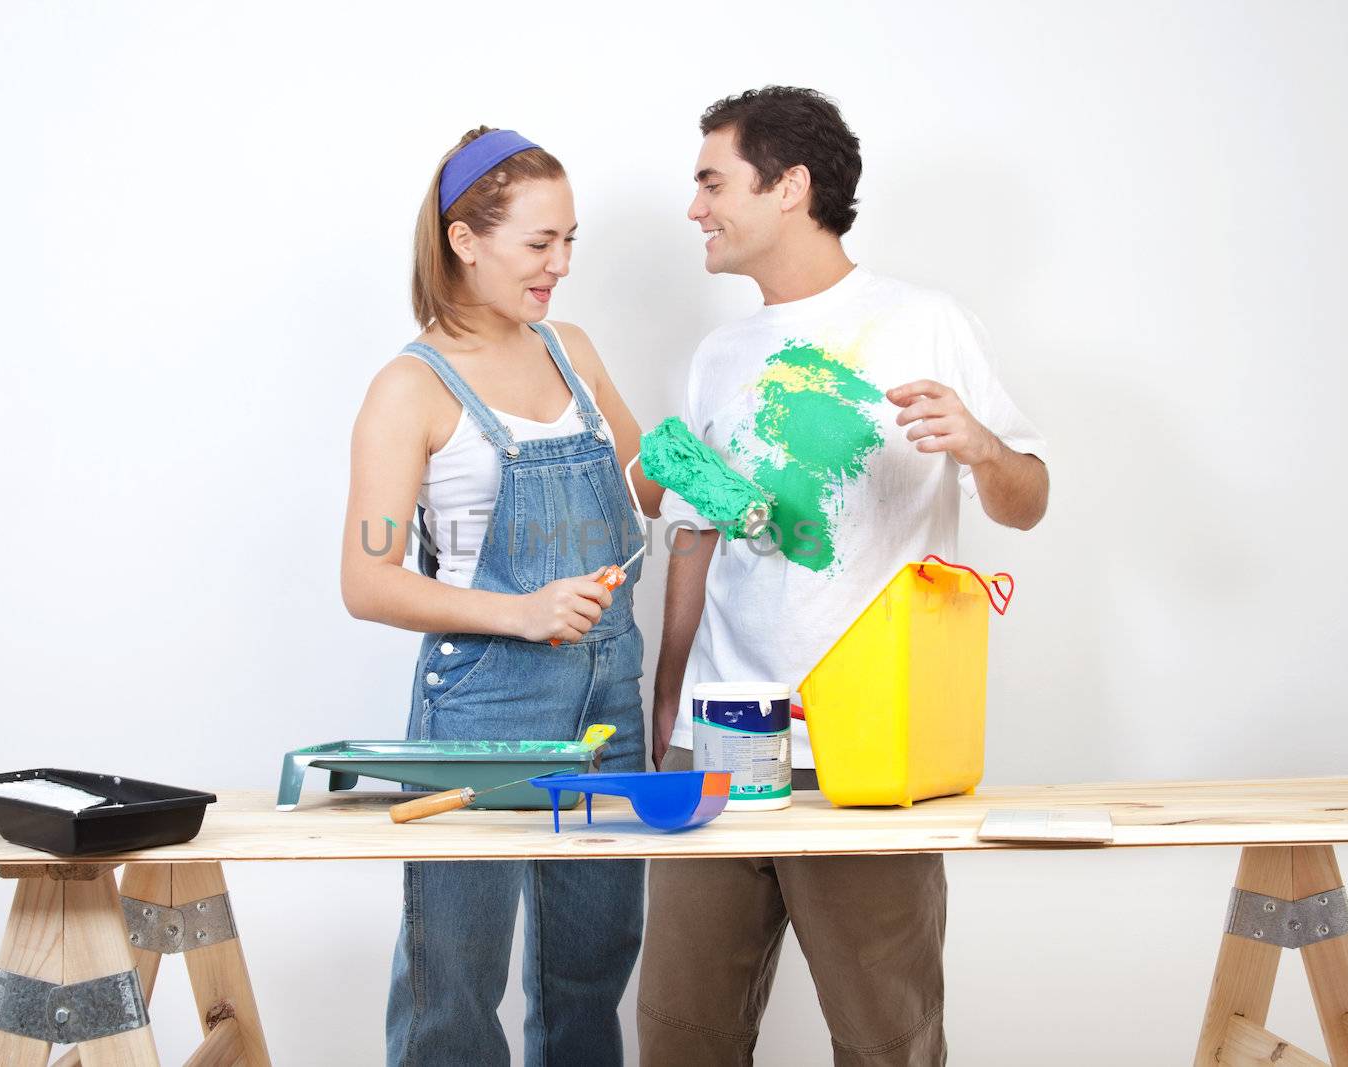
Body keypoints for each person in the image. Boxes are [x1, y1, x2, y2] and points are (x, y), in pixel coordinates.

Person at [637, 87, 1051, 1066]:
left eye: (712, 181)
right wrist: (664, 706)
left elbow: (1026, 498)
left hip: (863, 756)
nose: (694, 207)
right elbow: (695, 540)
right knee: (679, 1040)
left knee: (885, 1043)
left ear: (789, 185)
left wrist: (980, 445)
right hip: (715, 754)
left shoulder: (922, 321)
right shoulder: (716, 355)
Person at [340, 126, 663, 1066]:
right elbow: (368, 581)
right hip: (485, 701)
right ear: (463, 238)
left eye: (570, 242)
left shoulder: (573, 350)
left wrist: (708, 477)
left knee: (591, 971)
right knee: (455, 980)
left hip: (609, 689)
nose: (559, 266)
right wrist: (521, 612)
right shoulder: (410, 387)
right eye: (538, 244)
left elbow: (645, 488)